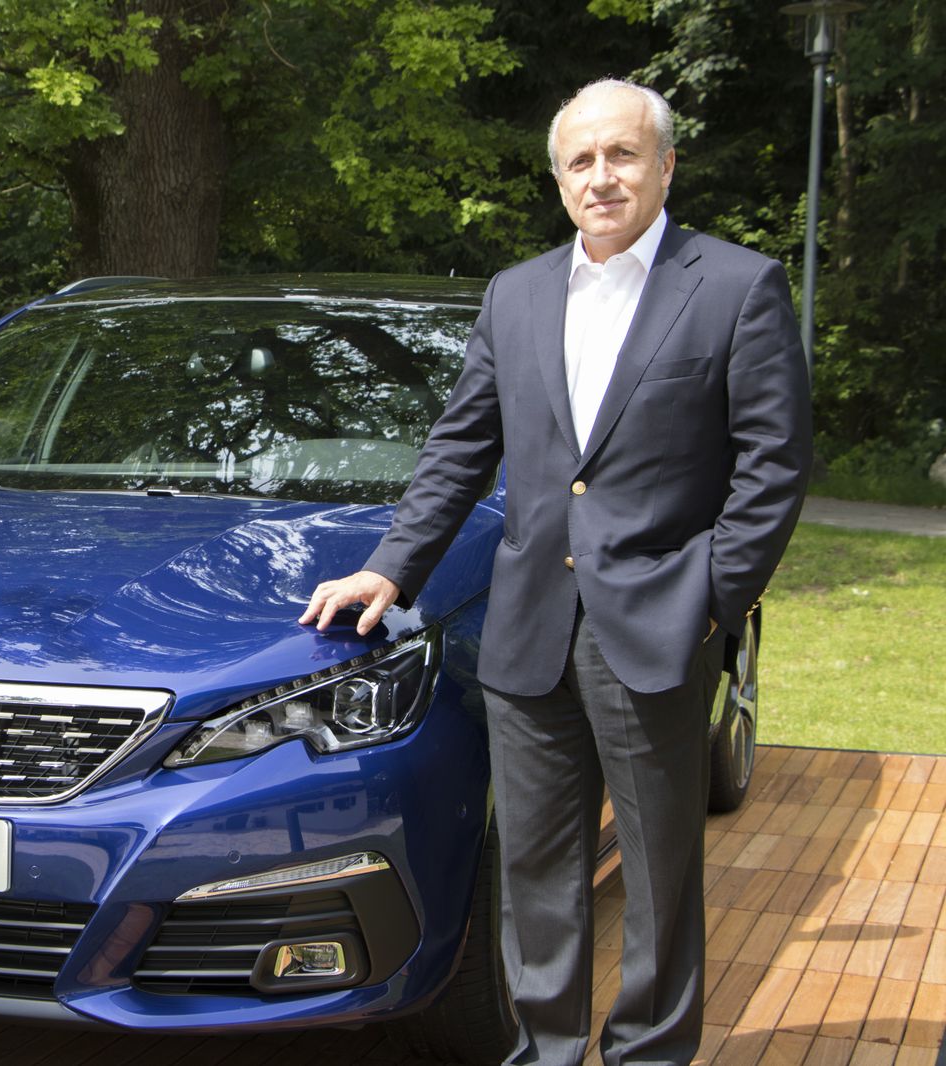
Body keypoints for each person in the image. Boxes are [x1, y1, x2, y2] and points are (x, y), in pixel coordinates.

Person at [299, 78, 812, 1065]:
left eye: (622, 155)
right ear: (557, 179)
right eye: (580, 161)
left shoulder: (736, 287)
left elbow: (774, 466)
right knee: (533, 869)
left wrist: (712, 598)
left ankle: (649, 1053)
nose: (601, 176)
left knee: (660, 876)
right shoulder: (515, 294)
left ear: (665, 166)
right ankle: (545, 1049)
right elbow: (459, 450)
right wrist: (390, 570)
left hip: (659, 631)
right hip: (529, 626)